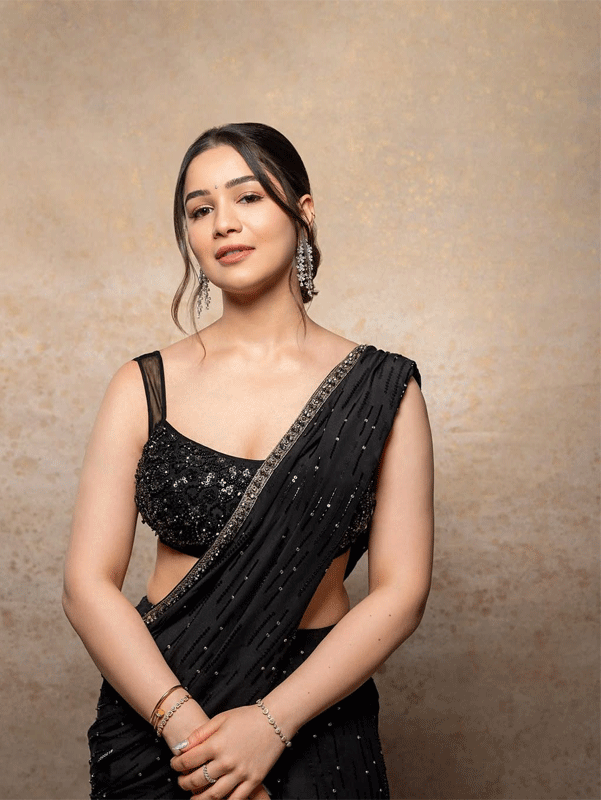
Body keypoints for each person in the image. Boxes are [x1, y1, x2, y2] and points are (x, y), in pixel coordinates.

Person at [63, 122, 434, 800]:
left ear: (303, 211)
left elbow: (401, 591)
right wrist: (187, 732)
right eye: (199, 209)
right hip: (159, 703)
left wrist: (271, 723)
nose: (223, 223)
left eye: (248, 197)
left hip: (316, 708)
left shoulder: (384, 390)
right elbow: (86, 585)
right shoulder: (142, 386)